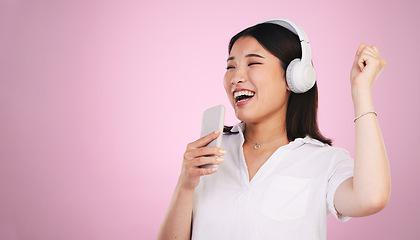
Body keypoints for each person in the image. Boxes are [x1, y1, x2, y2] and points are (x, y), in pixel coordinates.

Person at [157, 19, 390, 240]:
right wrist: (186, 184)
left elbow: (371, 198)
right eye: (230, 66)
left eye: (253, 63)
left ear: (294, 77)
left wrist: (361, 91)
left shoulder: (323, 161)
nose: (236, 77)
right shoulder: (208, 156)